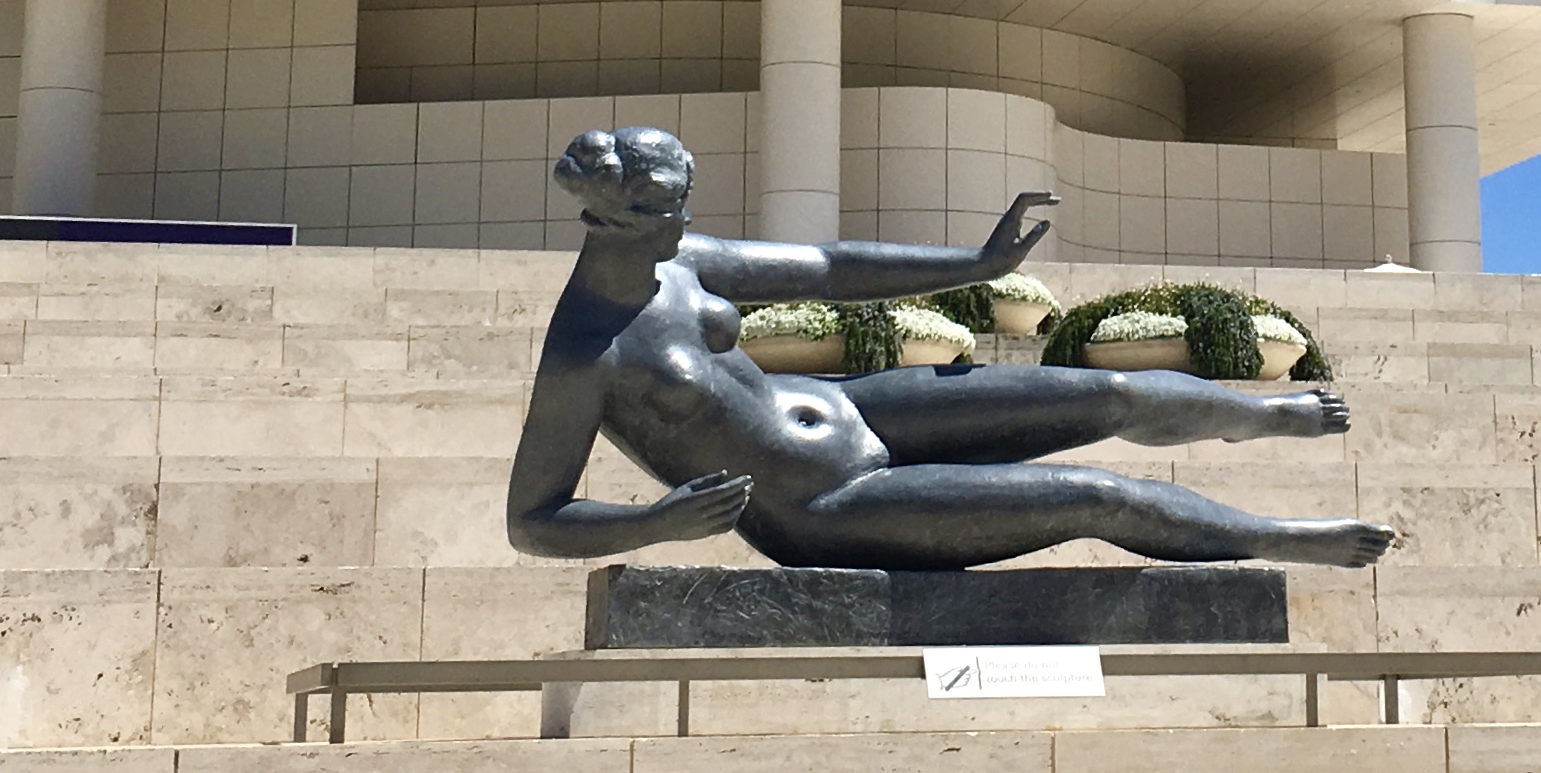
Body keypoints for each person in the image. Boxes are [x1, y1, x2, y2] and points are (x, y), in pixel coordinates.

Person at [507, 126, 1395, 570]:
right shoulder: (586, 349)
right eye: (667, 209)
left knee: (1110, 393)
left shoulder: (685, 263)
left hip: (858, 411)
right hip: (822, 503)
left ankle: (1265, 413)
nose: (686, 223)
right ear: (607, 216)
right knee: (1093, 494)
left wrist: (976, 262)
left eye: (685, 203)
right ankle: (1284, 539)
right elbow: (533, 517)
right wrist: (652, 524)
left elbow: (824, 266)